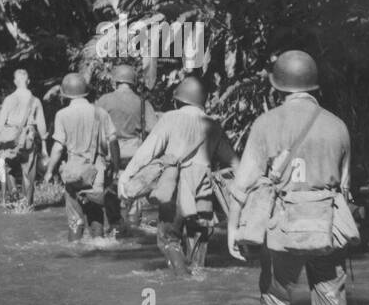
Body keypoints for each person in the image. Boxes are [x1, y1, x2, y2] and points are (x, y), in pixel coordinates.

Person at [228, 50, 353, 305]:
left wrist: (234, 229)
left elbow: (243, 184)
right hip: (326, 226)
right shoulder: (338, 126)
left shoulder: (266, 124)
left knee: (274, 304)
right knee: (331, 302)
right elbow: (345, 185)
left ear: (278, 86)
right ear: (313, 85)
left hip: (282, 228)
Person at [123, 76, 236, 278]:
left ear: (179, 100)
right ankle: (197, 282)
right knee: (198, 241)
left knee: (168, 239)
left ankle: (183, 279)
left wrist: (127, 177)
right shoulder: (214, 125)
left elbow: (147, 151)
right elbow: (234, 163)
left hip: (175, 187)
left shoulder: (170, 118)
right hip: (203, 193)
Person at [43, 73, 118, 240]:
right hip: (96, 174)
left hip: (73, 173)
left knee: (75, 221)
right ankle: (99, 251)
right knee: (96, 217)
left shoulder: (62, 115)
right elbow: (113, 141)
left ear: (65, 94)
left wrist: (49, 171)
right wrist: (116, 167)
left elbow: (57, 147)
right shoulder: (101, 112)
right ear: (85, 91)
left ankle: (74, 256)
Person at [95, 64, 159, 232]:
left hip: (111, 152)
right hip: (135, 154)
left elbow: (96, 126)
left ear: (115, 81)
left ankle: (116, 224)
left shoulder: (104, 101)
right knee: (134, 192)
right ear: (133, 82)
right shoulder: (142, 103)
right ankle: (133, 224)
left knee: (110, 189)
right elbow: (154, 130)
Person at [0, 69, 47, 208]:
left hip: (10, 139)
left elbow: (0, 124)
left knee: (7, 166)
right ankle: (27, 204)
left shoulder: (9, 99)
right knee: (28, 171)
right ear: (28, 81)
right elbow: (42, 127)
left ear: (15, 82)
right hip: (28, 139)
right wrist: (45, 148)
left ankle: (12, 193)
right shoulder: (35, 101)